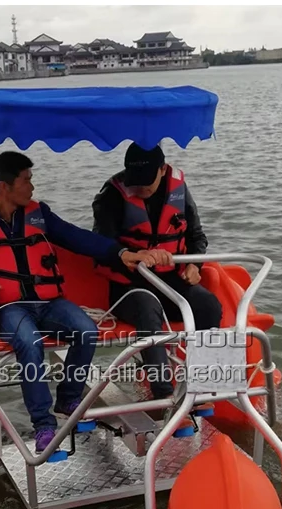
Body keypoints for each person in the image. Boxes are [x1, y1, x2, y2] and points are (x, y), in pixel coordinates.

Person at [0, 150, 158, 453]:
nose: (32, 187)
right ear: (5, 187)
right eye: (26, 181)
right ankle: (44, 426)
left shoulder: (39, 215)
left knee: (86, 331)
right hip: (9, 308)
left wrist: (119, 253)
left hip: (49, 302)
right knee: (29, 342)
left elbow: (78, 238)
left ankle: (68, 399)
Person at [91, 142, 223, 405]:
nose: (138, 189)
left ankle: (205, 387)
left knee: (209, 305)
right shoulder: (111, 195)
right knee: (147, 305)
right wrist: (134, 256)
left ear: (163, 170)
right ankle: (163, 395)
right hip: (128, 287)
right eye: (134, 182)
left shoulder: (179, 190)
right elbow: (102, 245)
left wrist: (195, 267)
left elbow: (197, 237)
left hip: (170, 282)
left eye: (145, 183)